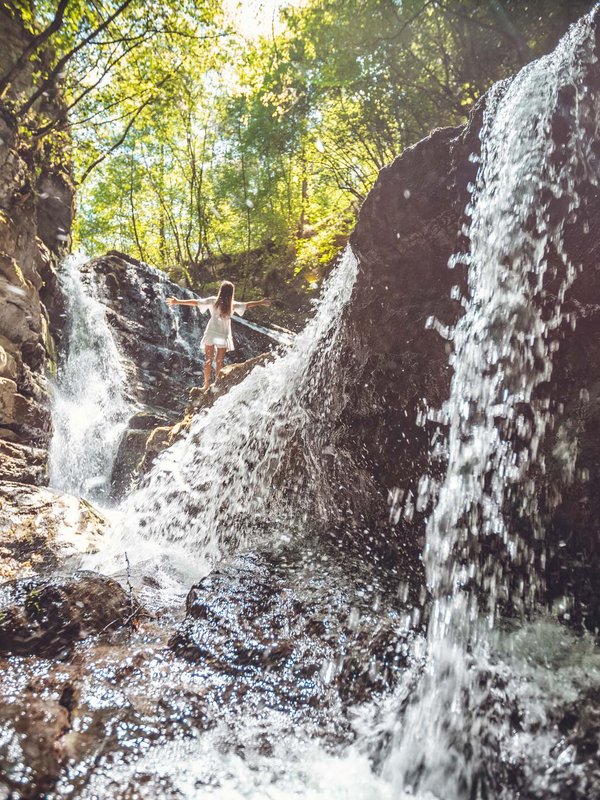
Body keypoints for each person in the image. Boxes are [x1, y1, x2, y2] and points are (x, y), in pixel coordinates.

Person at [166, 281, 271, 391]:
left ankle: (206, 385)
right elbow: (248, 304)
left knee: (208, 360)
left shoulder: (213, 300)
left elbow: (195, 302)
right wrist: (261, 302)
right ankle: (216, 384)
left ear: (221, 290)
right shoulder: (232, 304)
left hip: (211, 332)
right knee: (219, 361)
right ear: (231, 293)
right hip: (222, 334)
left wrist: (178, 301)